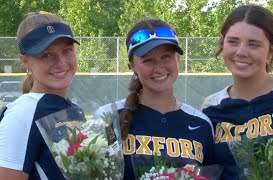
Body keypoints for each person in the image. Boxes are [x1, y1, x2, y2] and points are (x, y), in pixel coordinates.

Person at [200, 4, 273, 179]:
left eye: (254, 44)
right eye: (233, 41)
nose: (241, 52)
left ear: (272, 50)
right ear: (222, 42)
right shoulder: (210, 108)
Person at [94, 18, 216, 179]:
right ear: (132, 66)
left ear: (178, 59)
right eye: (148, 60)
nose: (158, 68)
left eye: (166, 57)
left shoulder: (201, 124)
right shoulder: (108, 118)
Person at [0, 11, 84, 179]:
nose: (61, 62)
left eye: (67, 50)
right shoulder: (23, 113)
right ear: (26, 61)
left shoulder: (74, 109)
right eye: (47, 54)